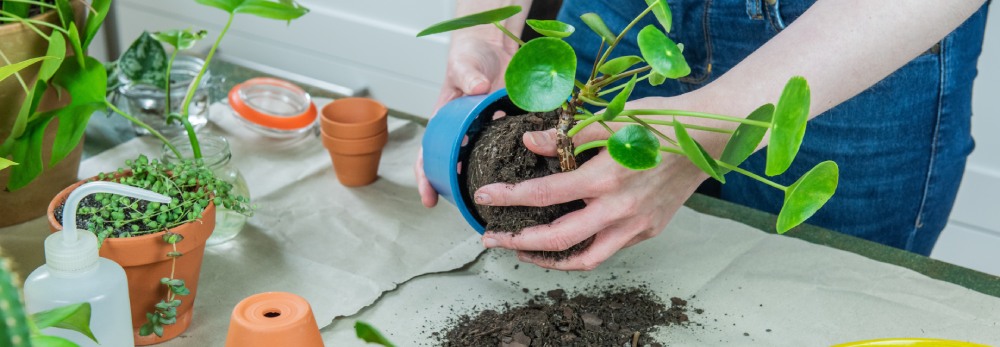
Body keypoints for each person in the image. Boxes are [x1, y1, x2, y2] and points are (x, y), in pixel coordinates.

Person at [415, 0, 992, 270]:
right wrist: (491, 29)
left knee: (813, 290)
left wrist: (716, 124)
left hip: (848, 40)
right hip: (628, 17)